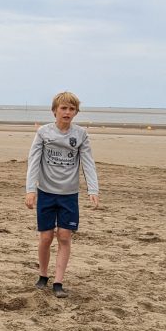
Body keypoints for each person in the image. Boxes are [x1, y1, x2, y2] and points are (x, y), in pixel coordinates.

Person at [24, 91, 100, 298]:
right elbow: (33, 162)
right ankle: (43, 275)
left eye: (71, 109)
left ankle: (58, 282)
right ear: (54, 111)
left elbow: (88, 163)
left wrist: (93, 189)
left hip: (69, 194)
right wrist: (30, 190)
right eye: (63, 108)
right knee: (46, 237)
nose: (67, 112)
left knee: (64, 236)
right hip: (46, 192)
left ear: (76, 112)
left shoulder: (80, 135)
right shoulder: (43, 132)